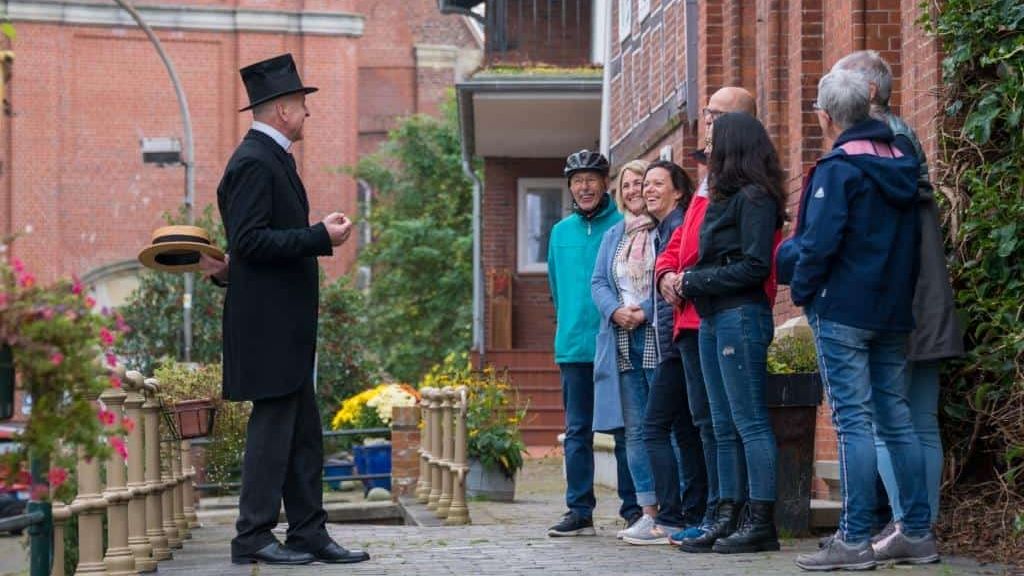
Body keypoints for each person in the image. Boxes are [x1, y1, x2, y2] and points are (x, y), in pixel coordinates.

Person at [203, 53, 369, 566]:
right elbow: (250, 241)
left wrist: (313, 234)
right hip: (269, 328)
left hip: (283, 327)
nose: (307, 113)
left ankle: (307, 531)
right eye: (301, 104)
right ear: (281, 110)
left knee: (302, 436)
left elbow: (245, 248)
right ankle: (252, 536)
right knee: (272, 434)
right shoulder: (256, 161)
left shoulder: (269, 158)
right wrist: (319, 236)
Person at [778, 69, 938, 571]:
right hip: (892, 309)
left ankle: (853, 539)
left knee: (852, 422)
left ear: (825, 117)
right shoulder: (902, 161)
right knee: (896, 420)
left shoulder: (838, 168)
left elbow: (819, 243)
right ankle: (916, 532)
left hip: (843, 308)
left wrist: (803, 292)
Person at [832, 50, 963, 536]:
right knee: (920, 419)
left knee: (889, 421)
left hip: (896, 297)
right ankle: (921, 527)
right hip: (928, 292)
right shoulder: (906, 143)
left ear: (867, 92)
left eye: (841, 85)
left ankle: (908, 525)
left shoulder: (877, 147)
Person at [676, 112, 786, 554]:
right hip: (712, 317)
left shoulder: (755, 198)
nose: (707, 147)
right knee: (722, 426)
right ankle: (727, 516)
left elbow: (756, 265)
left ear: (732, 145)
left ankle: (760, 521)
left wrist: (695, 281)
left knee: (749, 422)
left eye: (713, 138)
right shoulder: (725, 197)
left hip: (740, 316)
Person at [656, 87, 758, 549]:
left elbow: (722, 250)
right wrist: (665, 274)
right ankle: (714, 512)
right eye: (706, 112)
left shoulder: (742, 182)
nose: (707, 122)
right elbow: (681, 241)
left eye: (715, 115)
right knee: (704, 422)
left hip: (717, 312)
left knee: (726, 425)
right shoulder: (707, 180)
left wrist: (689, 279)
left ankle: (730, 513)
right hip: (690, 315)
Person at [592, 160, 693, 545]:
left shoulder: (663, 229)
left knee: (666, 426)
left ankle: (677, 508)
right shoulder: (614, 235)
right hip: (622, 339)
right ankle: (648, 511)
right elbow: (598, 282)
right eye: (628, 185)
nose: (635, 190)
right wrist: (615, 311)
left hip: (655, 336)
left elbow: (665, 282)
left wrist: (644, 312)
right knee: (635, 429)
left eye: (641, 183)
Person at [547, 149, 639, 537]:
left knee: (624, 430)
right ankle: (579, 510)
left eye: (591, 180)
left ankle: (634, 509)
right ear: (570, 187)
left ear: (605, 184)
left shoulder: (623, 225)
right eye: (577, 181)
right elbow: (555, 287)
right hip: (573, 345)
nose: (584, 187)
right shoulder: (559, 232)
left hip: (616, 341)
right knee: (577, 432)